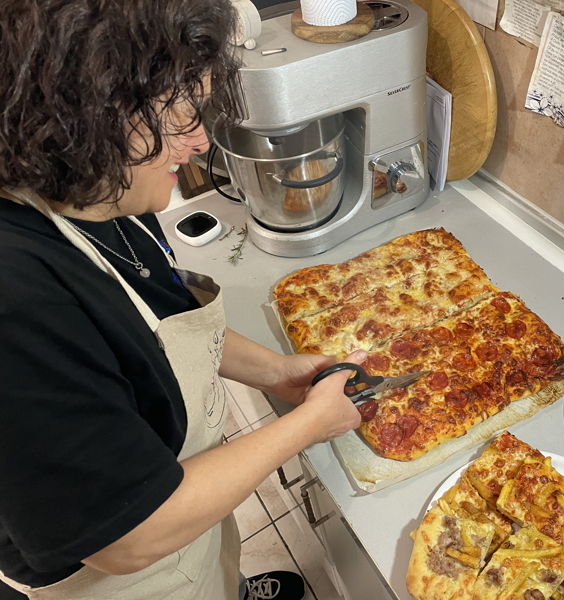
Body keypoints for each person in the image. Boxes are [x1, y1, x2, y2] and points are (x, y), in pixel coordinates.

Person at [0, 1, 365, 599]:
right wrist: (306, 426)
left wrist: (276, 371)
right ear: (84, 114)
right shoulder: (20, 302)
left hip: (186, 519)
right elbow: (129, 537)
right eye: (180, 117)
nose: (200, 143)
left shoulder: (97, 192)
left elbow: (166, 320)